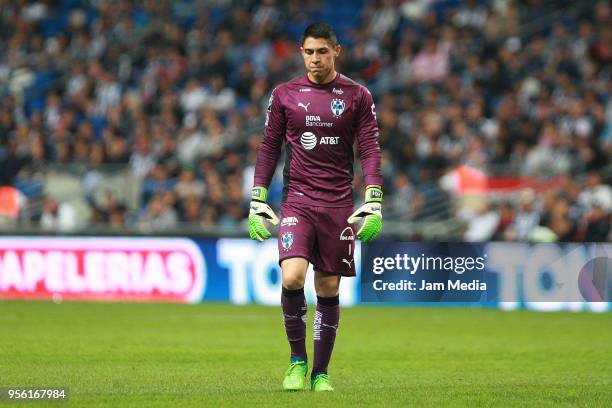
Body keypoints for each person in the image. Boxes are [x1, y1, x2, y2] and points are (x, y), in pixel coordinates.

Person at [247, 23, 382, 392]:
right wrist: (258, 198)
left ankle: (321, 373)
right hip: (298, 200)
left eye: (322, 51)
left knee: (327, 286)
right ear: (300, 52)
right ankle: (296, 361)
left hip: (338, 203)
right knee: (292, 276)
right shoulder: (285, 95)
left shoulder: (358, 96)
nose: (315, 58)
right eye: (309, 52)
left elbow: (369, 149)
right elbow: (269, 148)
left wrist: (374, 199)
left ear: (336, 51)